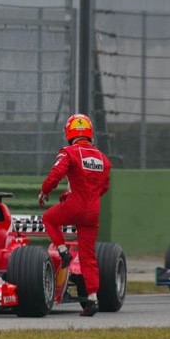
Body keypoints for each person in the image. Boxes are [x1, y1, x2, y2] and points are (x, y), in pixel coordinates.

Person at [38, 113, 111, 317]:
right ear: (90, 133)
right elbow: (103, 188)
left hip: (76, 205)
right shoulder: (104, 160)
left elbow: (56, 174)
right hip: (93, 211)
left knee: (49, 219)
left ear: (69, 133)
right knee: (89, 257)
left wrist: (45, 191)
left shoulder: (69, 152)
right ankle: (93, 300)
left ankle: (63, 252)